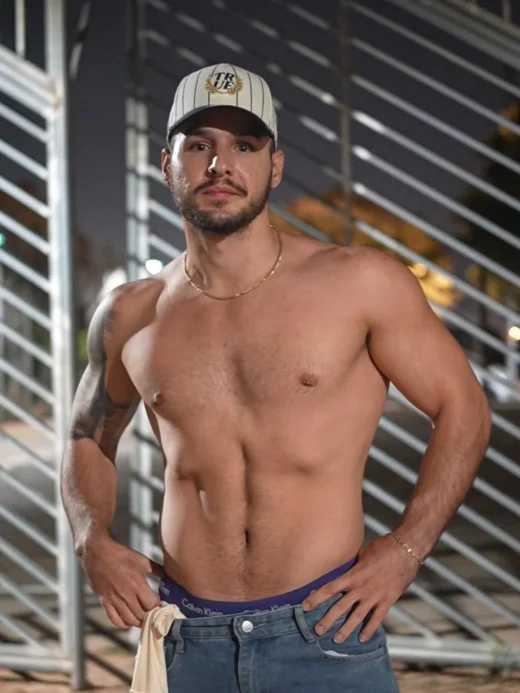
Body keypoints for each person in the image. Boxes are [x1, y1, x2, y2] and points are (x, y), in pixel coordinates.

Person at [61, 63, 491, 693]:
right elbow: (86, 438)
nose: (220, 165)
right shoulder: (131, 313)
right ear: (167, 164)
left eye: (245, 145)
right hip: (190, 638)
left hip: (326, 631)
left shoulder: (360, 283)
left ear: (276, 167)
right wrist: (91, 540)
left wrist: (406, 550)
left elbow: (463, 408)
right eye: (199, 145)